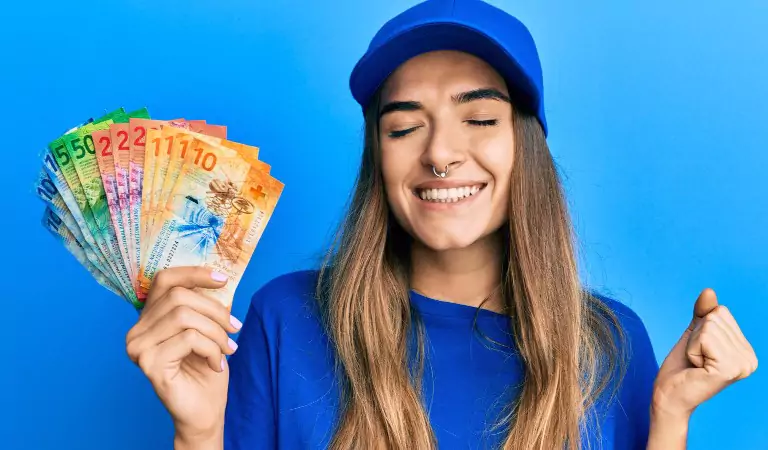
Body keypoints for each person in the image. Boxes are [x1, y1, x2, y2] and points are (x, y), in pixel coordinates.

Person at [124, 1, 758, 449]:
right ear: (379, 158)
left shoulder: (611, 343)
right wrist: (199, 432)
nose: (439, 152)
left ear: (525, 147)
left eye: (479, 119)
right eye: (403, 127)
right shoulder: (286, 317)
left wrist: (670, 418)